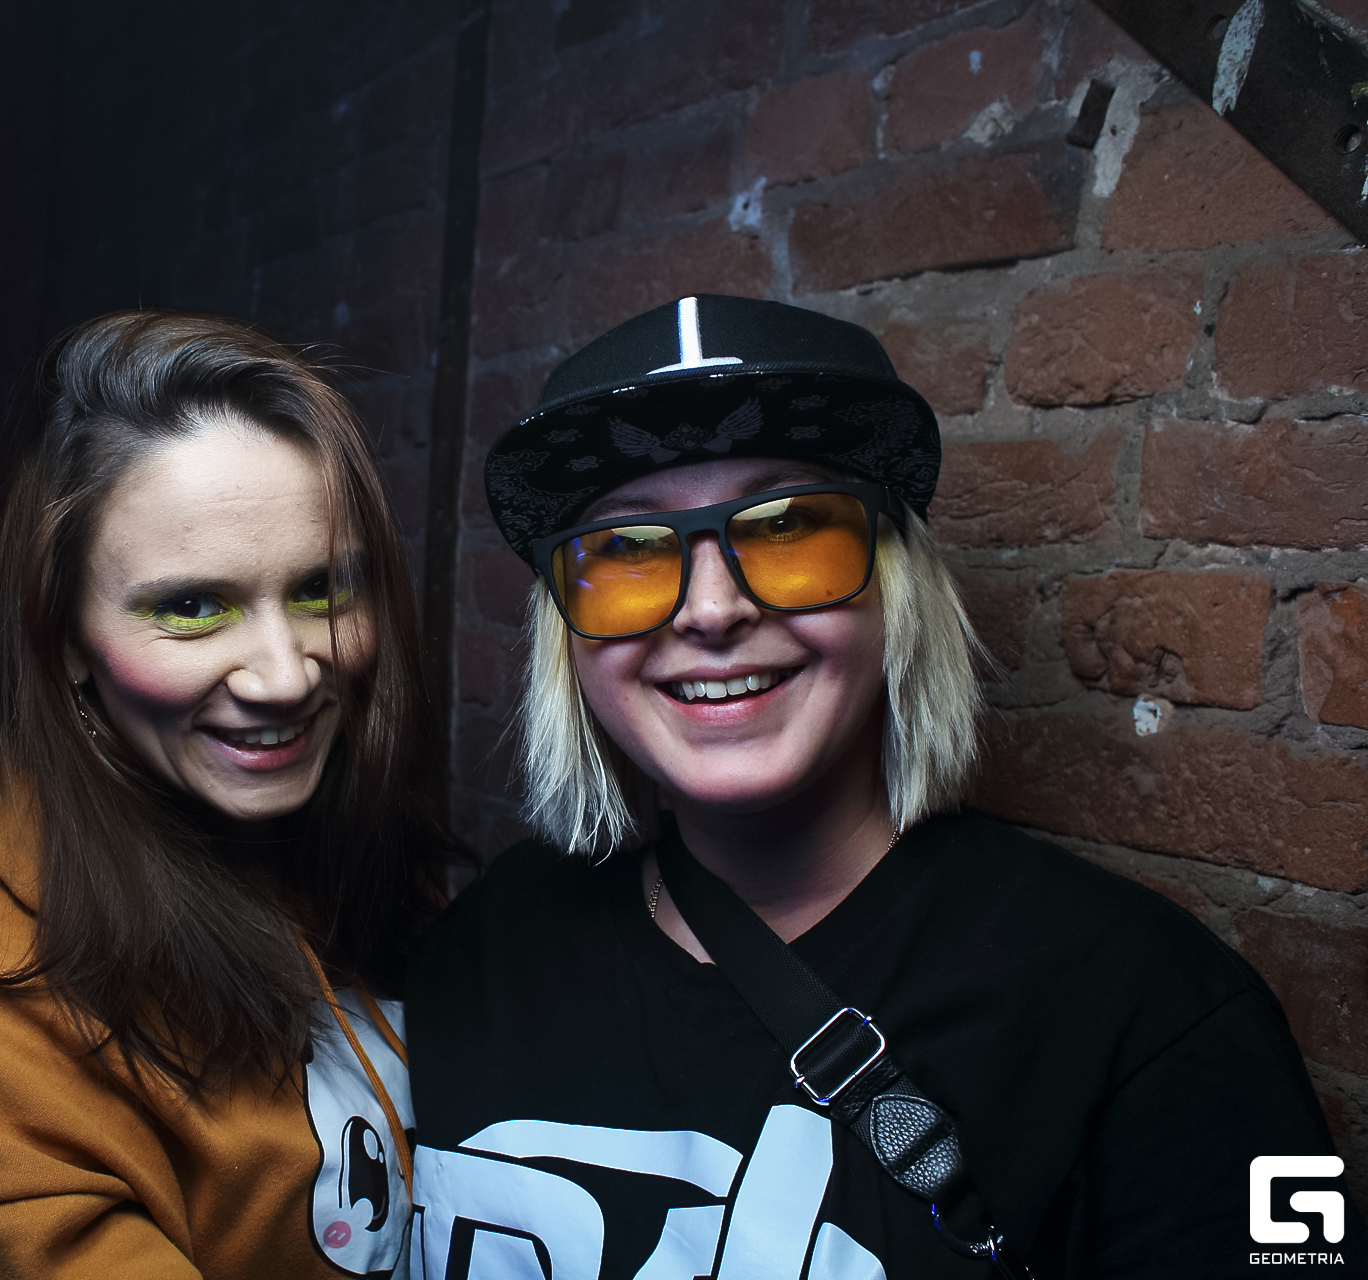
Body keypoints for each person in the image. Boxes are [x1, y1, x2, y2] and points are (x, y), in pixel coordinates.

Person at [402, 295, 1364, 1278]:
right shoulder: (488, 942)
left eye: (788, 527)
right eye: (629, 550)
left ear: (895, 588)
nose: (713, 610)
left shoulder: (1152, 1014)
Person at [0, 311, 456, 1277]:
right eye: (191, 605)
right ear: (66, 643)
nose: (284, 676)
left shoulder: (372, 887)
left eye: (319, 590)